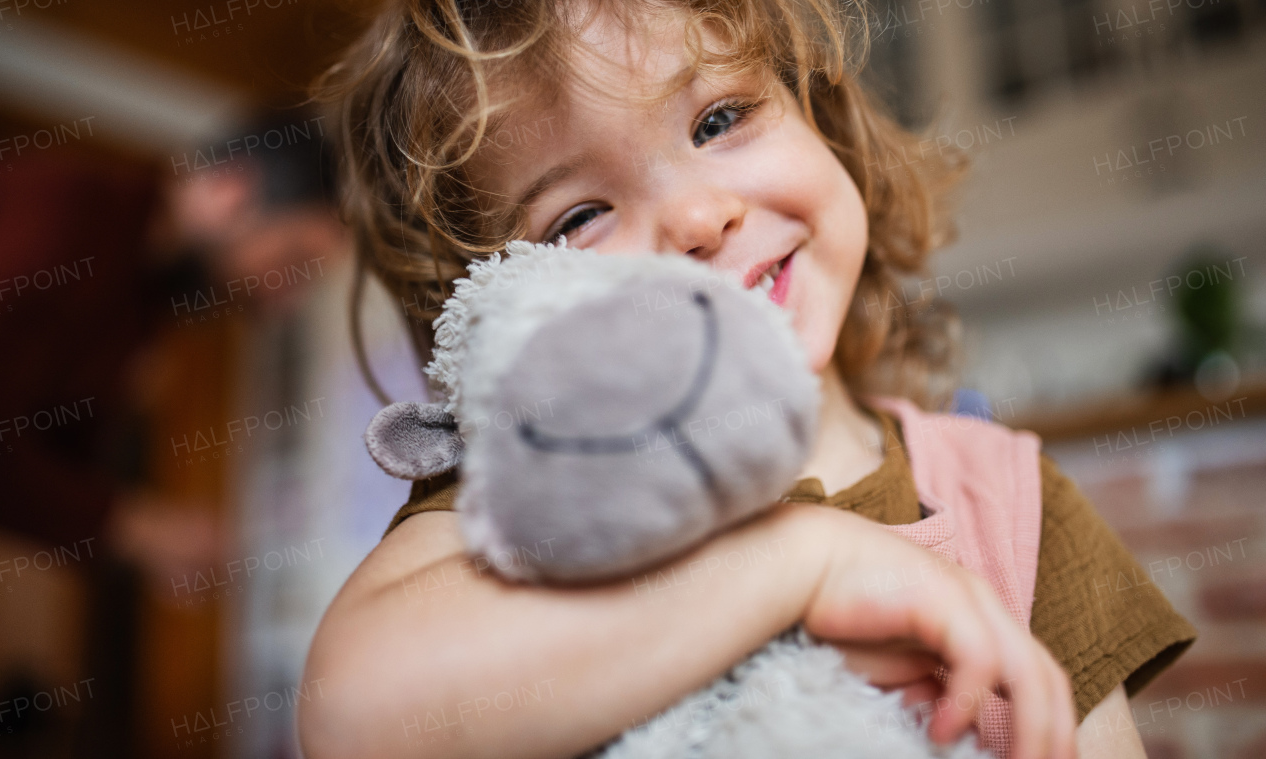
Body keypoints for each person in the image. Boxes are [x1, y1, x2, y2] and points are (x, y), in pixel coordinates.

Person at [299, 2, 1195, 758]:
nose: (697, 216)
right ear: (502, 305)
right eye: (578, 215)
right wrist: (808, 561)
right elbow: (351, 715)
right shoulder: (534, 497)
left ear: (822, 116)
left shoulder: (1007, 497)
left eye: (719, 119)